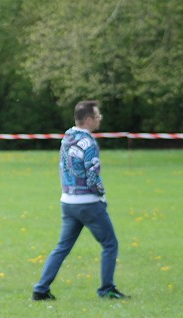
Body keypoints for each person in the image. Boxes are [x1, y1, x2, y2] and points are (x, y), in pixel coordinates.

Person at [32, 100, 127, 300]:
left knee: (62, 247)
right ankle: (107, 289)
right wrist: (101, 194)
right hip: (89, 203)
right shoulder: (89, 142)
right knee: (110, 244)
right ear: (89, 119)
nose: (100, 118)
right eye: (98, 115)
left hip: (68, 201)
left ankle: (40, 289)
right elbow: (93, 176)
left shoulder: (67, 138)